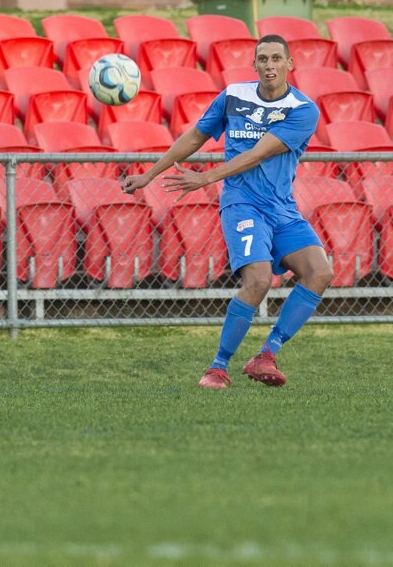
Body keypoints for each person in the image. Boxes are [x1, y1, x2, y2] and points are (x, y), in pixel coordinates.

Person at [121, 34, 333, 389]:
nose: (269, 66)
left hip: (282, 208)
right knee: (259, 280)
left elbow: (260, 153)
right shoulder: (234, 95)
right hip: (242, 203)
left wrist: (206, 178)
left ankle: (266, 354)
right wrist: (149, 174)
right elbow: (195, 136)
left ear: (290, 64)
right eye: (262, 59)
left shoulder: (302, 109)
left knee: (319, 272)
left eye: (276, 59)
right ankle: (217, 368)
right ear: (254, 65)